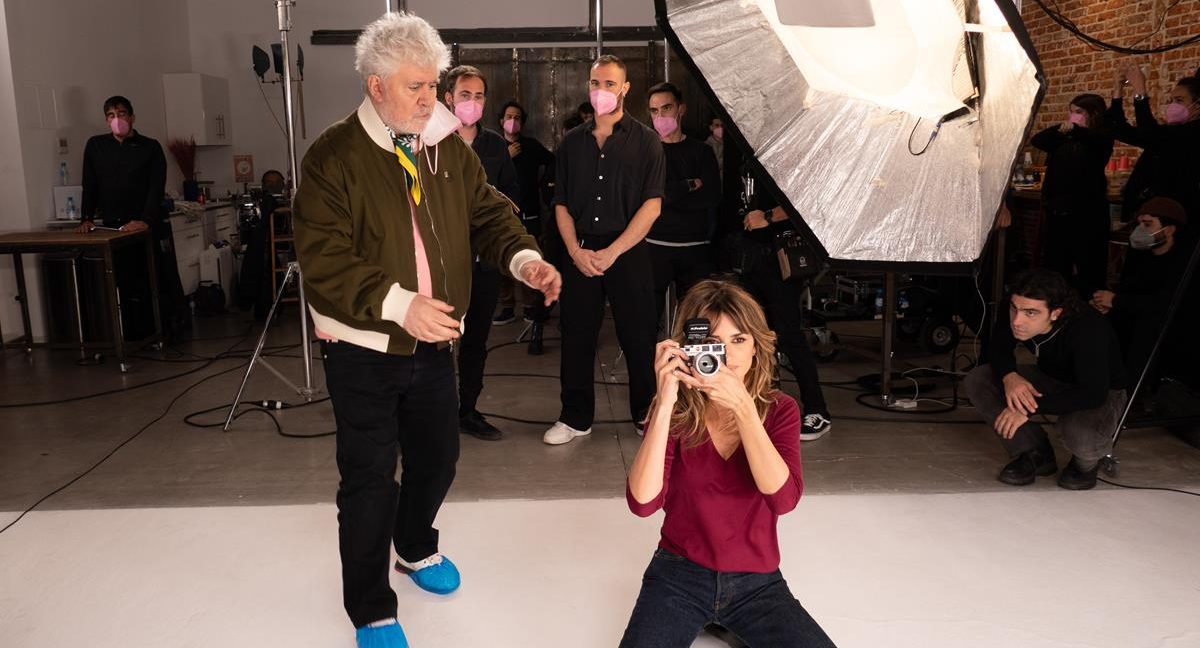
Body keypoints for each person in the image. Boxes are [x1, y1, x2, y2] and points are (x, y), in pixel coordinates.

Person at [291, 13, 561, 648]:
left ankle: (414, 548)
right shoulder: (333, 155)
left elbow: (489, 212)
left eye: (433, 84)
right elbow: (323, 258)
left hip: (435, 341)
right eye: (415, 86)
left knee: (438, 459)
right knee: (369, 478)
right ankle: (371, 606)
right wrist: (397, 303)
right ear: (376, 85)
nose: (430, 98)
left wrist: (524, 258)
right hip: (362, 346)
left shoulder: (442, 145)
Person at [622, 279, 837, 648]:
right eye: (713, 345)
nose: (726, 357)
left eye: (739, 340)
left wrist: (742, 408)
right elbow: (643, 504)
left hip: (757, 581)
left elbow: (783, 500)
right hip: (678, 575)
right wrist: (663, 403)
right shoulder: (676, 413)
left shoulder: (779, 410)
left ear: (757, 345)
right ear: (690, 349)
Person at [544, 54, 665, 445]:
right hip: (579, 250)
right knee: (577, 334)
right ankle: (574, 416)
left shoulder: (647, 141)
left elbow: (653, 205)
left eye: (610, 84)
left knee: (638, 334)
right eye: (596, 84)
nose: (602, 91)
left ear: (625, 89)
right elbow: (560, 203)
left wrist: (613, 252)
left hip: (626, 250)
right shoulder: (571, 143)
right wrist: (575, 252)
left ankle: (646, 414)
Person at [964, 269, 1127, 491]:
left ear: (1055, 313)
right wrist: (1010, 376)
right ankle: (1034, 452)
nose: (1017, 321)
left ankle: (1086, 464)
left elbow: (1093, 393)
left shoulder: (1088, 328)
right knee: (979, 379)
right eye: (1015, 309)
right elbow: (999, 348)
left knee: (1079, 434)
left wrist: (1027, 408)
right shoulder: (1016, 306)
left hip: (1100, 391)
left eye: (1030, 313)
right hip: (1051, 378)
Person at [442, 65, 523, 442]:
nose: (471, 103)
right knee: (437, 341)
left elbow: (511, 198)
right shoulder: (431, 141)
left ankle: (468, 410)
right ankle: (432, 413)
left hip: (483, 260)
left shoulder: (493, 145)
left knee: (475, 340)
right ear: (448, 98)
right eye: (464, 95)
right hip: (441, 261)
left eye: (478, 97)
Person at [737, 167, 833, 441]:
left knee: (789, 335)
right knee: (752, 336)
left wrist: (768, 216)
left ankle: (817, 409)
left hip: (781, 256)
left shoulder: (785, 155)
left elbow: (808, 201)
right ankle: (762, 406)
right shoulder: (743, 150)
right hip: (749, 256)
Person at [1091, 197, 1190, 388]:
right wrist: (1106, 302)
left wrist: (1116, 301)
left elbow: (1164, 304)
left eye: (1148, 224)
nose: (1141, 230)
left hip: (1168, 332)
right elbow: (1131, 291)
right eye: (1140, 224)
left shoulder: (1182, 264)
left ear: (1169, 229)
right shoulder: (1144, 258)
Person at [645, 82, 720, 332]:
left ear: (681, 109)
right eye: (654, 111)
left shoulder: (701, 151)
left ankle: (692, 369)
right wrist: (689, 184)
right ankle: (648, 370)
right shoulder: (646, 151)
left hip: (695, 250)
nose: (660, 116)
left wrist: (667, 194)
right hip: (654, 247)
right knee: (646, 321)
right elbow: (648, 197)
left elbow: (710, 197)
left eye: (666, 108)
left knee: (697, 324)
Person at [1029, 94, 1114, 298]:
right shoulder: (1063, 139)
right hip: (1059, 212)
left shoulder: (1101, 137)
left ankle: (1090, 313)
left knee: (1089, 269)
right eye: (1071, 111)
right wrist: (1062, 128)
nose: (1072, 116)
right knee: (1056, 268)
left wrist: (1076, 129)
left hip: (1087, 215)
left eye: (1078, 112)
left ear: (1093, 115)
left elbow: (1094, 140)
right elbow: (1038, 140)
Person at [495, 99, 556, 355]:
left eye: (517, 117)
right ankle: (508, 306)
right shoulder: (493, 146)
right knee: (503, 261)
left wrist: (545, 187)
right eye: (509, 116)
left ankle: (532, 306)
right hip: (501, 215)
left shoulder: (531, 146)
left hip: (529, 212)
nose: (513, 121)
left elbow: (553, 161)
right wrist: (505, 158)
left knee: (530, 259)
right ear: (501, 121)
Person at [1109, 66, 1200, 220]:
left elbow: (1149, 133)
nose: (1173, 105)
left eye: (1179, 100)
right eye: (1171, 100)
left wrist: (1139, 89)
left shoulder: (1192, 134)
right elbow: (1120, 130)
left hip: (1171, 219)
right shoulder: (1168, 134)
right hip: (1145, 214)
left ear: (1197, 106)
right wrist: (1118, 91)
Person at [77, 95, 166, 234]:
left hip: (143, 223)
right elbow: (89, 185)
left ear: (132, 118)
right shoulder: (96, 146)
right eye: (111, 115)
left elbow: (157, 187)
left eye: (121, 114)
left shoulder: (150, 146)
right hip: (112, 223)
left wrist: (146, 220)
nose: (116, 120)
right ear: (107, 121)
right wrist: (86, 218)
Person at [705, 116, 724, 181]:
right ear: (711, 127)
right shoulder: (706, 146)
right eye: (717, 125)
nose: (720, 128)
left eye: (722, 125)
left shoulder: (728, 144)